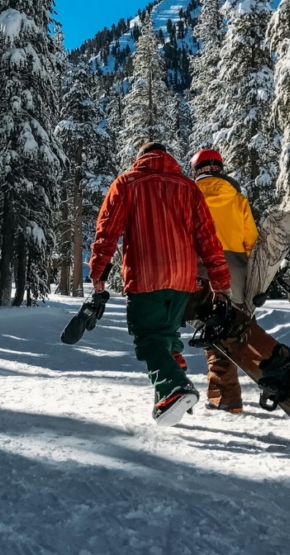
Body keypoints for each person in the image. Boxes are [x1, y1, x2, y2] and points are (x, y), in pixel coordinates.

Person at [90, 143, 232, 426]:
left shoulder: (127, 183)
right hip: (182, 279)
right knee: (165, 334)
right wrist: (220, 282)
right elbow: (208, 238)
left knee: (149, 338)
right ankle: (170, 388)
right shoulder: (188, 188)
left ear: (140, 159)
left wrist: (98, 273)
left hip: (145, 276)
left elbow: (107, 231)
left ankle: (174, 389)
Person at [190, 148, 258, 414]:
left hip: (202, 269)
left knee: (213, 332)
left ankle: (226, 397)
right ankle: (228, 391)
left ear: (196, 170)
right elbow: (251, 241)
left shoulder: (190, 196)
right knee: (232, 330)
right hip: (237, 271)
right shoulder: (238, 199)